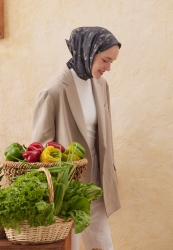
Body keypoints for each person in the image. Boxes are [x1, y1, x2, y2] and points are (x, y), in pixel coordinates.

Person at [32, 26, 121, 250]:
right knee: (70, 246)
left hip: (98, 184)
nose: (108, 68)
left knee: (103, 245)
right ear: (88, 51)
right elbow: (40, 149)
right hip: (69, 190)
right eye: (105, 60)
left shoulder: (100, 84)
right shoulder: (53, 92)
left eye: (111, 62)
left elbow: (104, 135)